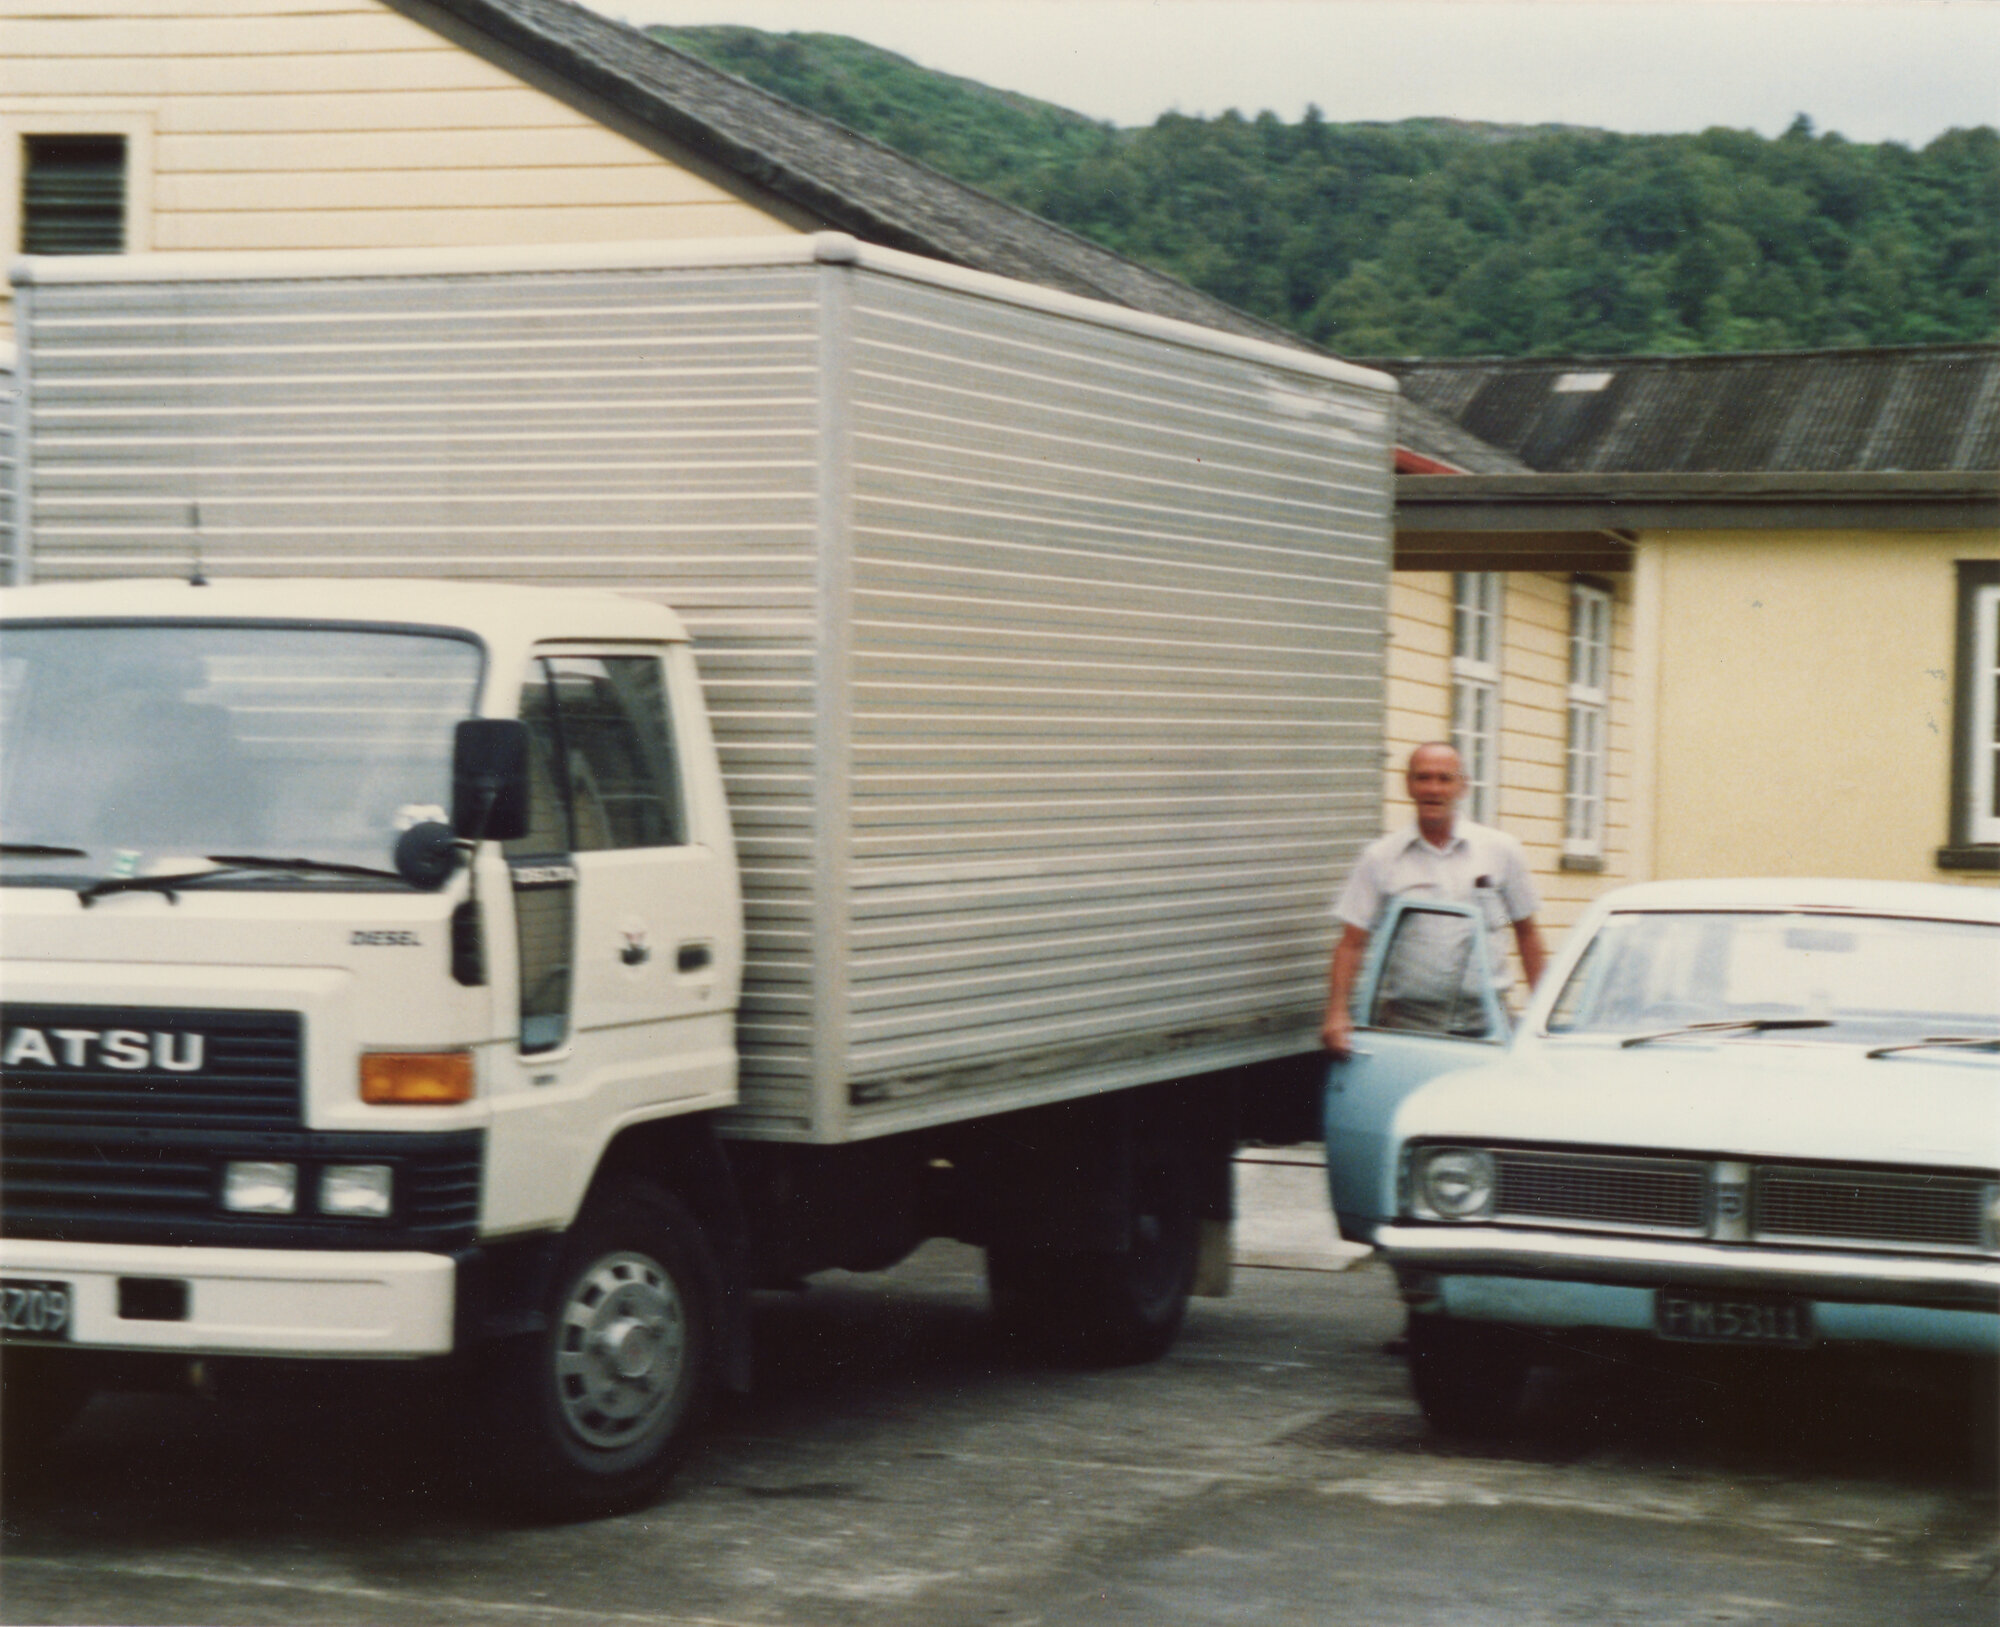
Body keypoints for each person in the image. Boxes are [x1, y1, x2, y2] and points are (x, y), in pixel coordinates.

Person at [1321, 742, 1547, 1058]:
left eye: (1445, 779)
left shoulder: (1501, 850)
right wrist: (1337, 1012)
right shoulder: (1381, 857)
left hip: (1488, 1026)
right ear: (1408, 785)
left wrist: (1543, 1013)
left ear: (1463, 786)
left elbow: (1528, 933)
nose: (1433, 789)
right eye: (1423, 778)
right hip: (1406, 1029)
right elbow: (1351, 942)